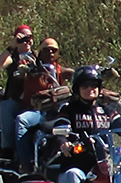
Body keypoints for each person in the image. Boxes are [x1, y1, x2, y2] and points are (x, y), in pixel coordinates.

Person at [14, 38, 75, 173]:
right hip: (36, 111)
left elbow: (72, 74)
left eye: (54, 50)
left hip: (55, 112)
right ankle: (25, 163)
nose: (51, 52)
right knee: (22, 120)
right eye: (47, 50)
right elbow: (21, 69)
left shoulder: (59, 70)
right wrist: (24, 69)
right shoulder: (31, 65)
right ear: (40, 51)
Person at [0, 25, 35, 157]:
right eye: (23, 38)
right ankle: (7, 148)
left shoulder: (36, 56)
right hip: (16, 100)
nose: (27, 41)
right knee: (6, 106)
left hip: (34, 102)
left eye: (30, 38)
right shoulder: (13, 57)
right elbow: (0, 64)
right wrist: (11, 47)